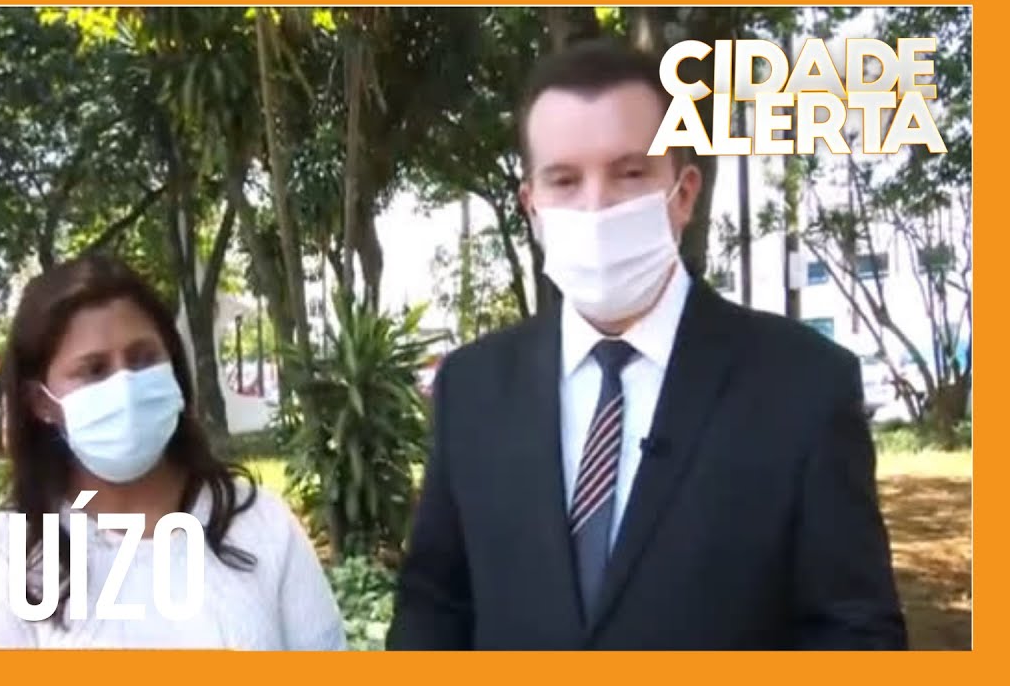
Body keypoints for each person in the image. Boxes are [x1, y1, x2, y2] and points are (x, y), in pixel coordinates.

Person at [386, 39, 907, 650]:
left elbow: (855, 630)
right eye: (564, 180)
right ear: (532, 207)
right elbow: (434, 602)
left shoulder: (804, 386)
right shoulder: (472, 387)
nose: (596, 206)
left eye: (630, 173)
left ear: (683, 194)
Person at [0, 254, 345, 650]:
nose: (126, 386)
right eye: (94, 370)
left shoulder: (261, 526)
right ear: (42, 403)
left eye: (144, 358)